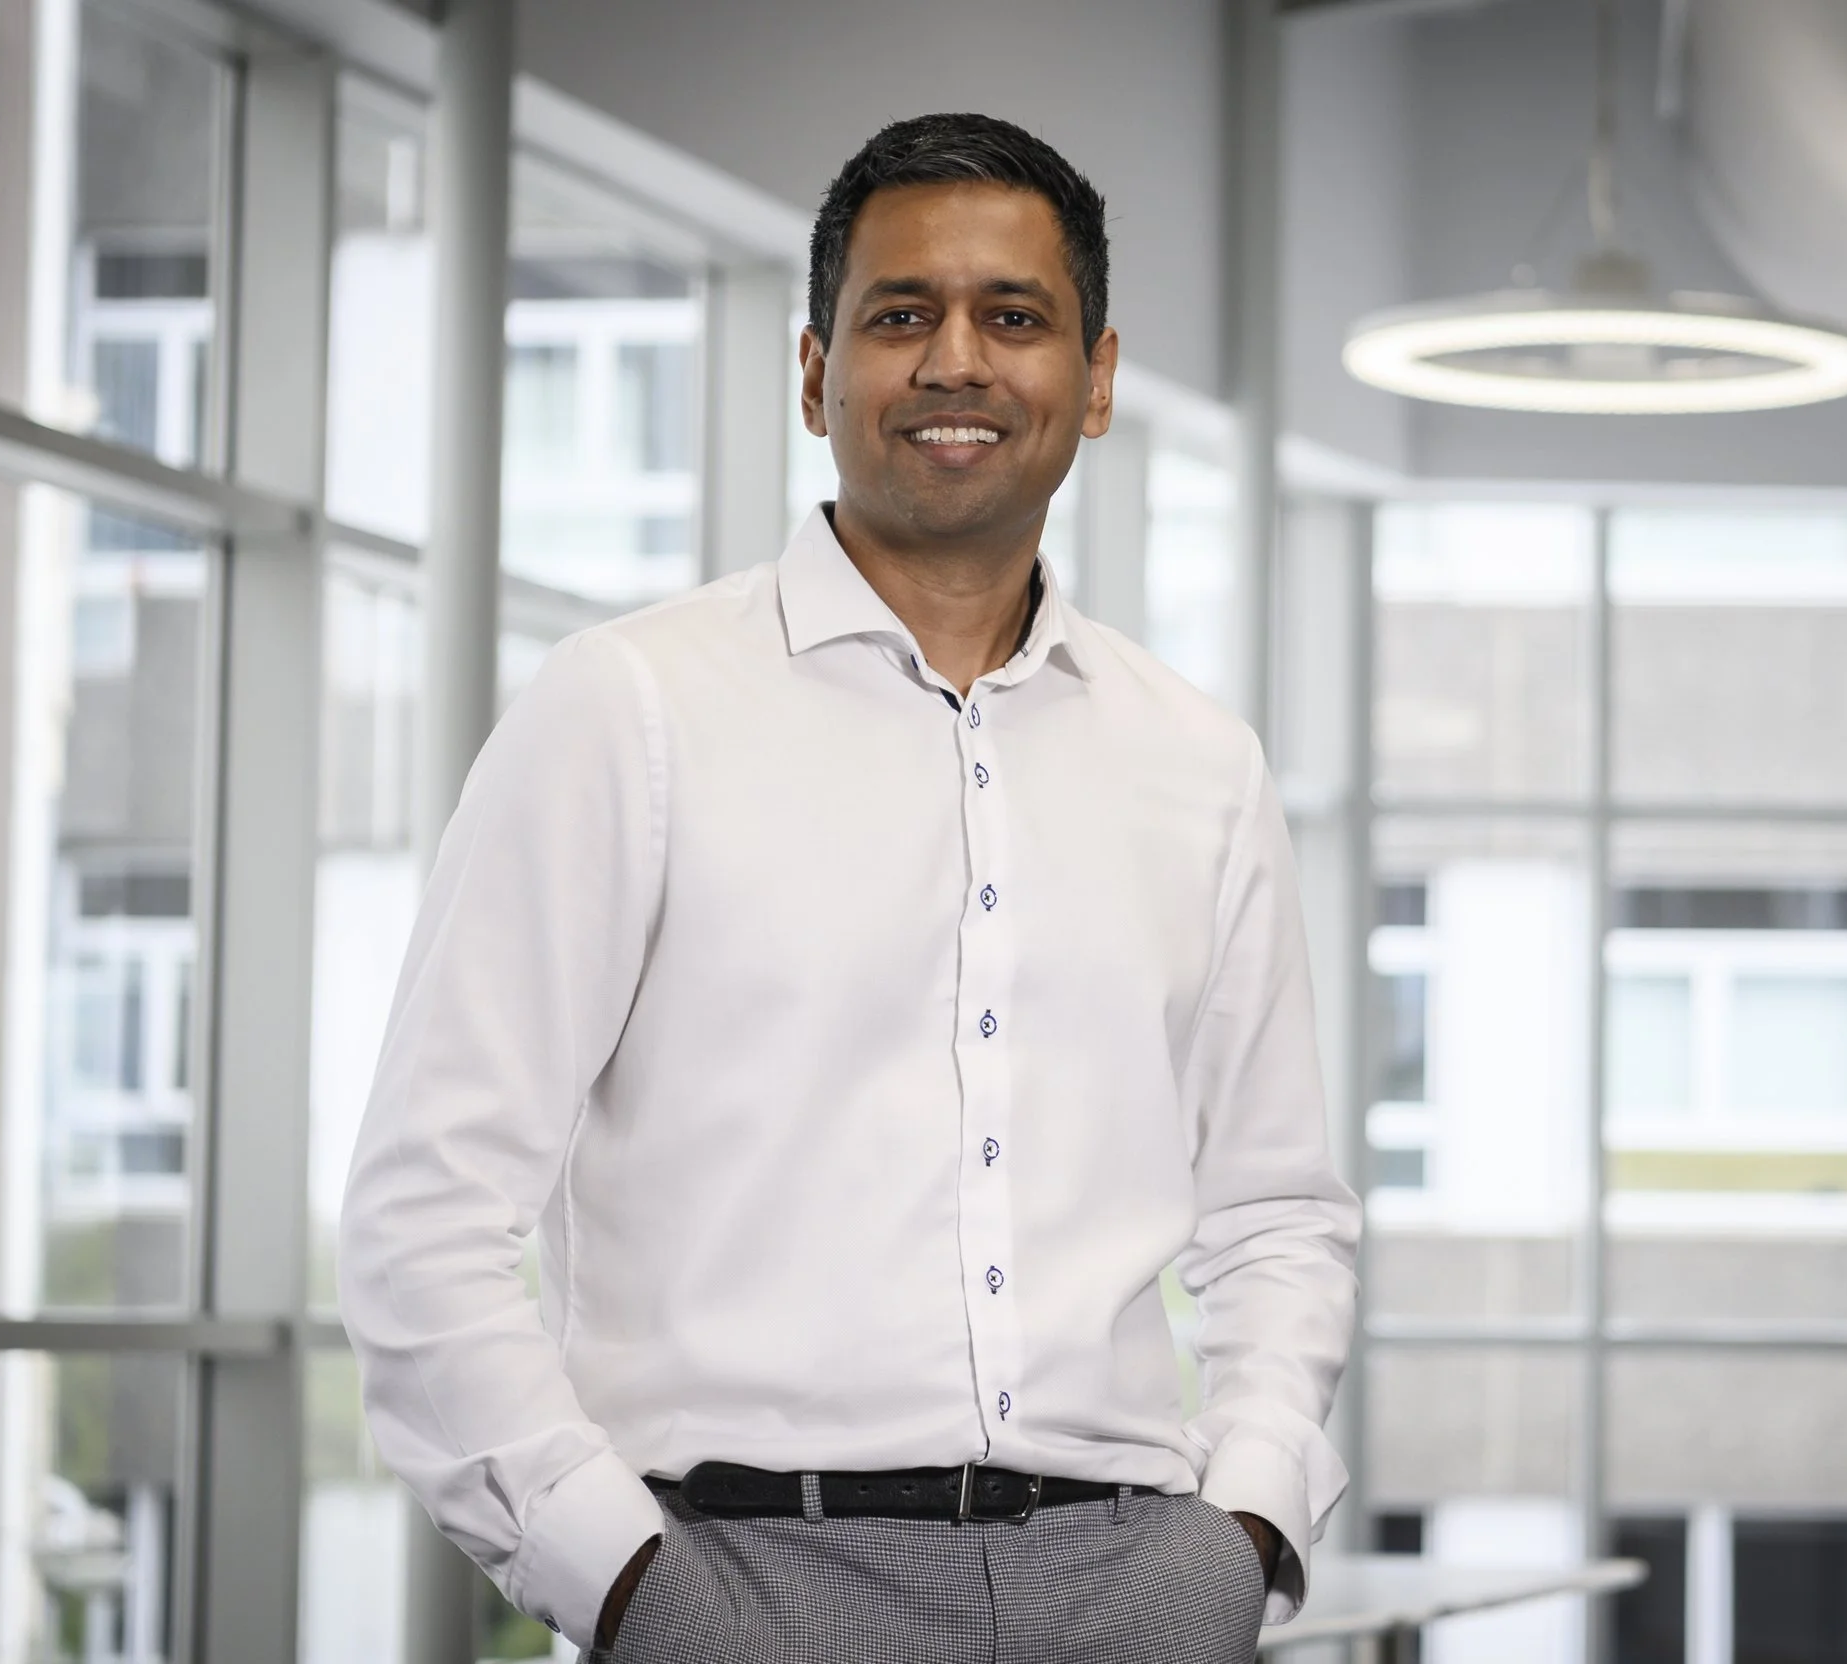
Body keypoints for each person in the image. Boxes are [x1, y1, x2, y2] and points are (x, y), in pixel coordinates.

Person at [339, 112, 1360, 1664]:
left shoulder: (1200, 764)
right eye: (903, 316)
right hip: (734, 1583)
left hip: (1134, 1589)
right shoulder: (628, 710)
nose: (958, 360)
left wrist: (1248, 1531)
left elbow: (1279, 1211)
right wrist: (631, 1587)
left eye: (1014, 318)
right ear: (816, 372)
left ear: (1095, 382)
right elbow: (424, 1220)